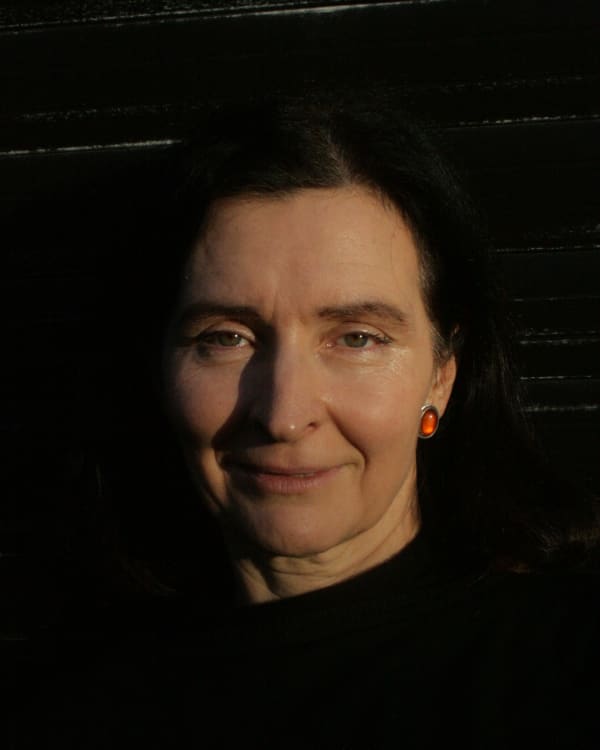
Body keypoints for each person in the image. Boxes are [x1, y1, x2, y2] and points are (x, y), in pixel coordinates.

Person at [15, 93, 600, 748]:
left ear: (442, 374)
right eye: (226, 337)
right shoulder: (67, 711)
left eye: (356, 338)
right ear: (158, 367)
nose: (284, 415)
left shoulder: (569, 672)